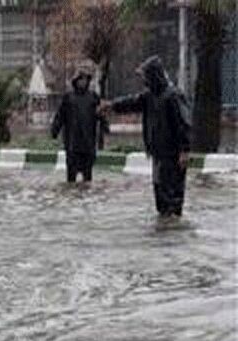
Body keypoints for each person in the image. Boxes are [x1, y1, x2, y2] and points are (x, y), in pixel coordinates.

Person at [101, 55, 191, 219]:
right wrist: (111, 105)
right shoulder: (149, 96)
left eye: (146, 76)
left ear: (154, 75)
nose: (144, 81)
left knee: (172, 195)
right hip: (157, 154)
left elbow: (183, 124)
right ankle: (165, 227)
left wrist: (184, 150)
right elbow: (131, 102)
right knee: (160, 193)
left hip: (172, 155)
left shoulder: (173, 96)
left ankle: (173, 230)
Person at [51, 64, 105, 184]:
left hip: (88, 143)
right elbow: (60, 115)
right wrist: (55, 130)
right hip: (72, 144)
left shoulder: (93, 97)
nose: (83, 82)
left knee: (87, 177)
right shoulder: (68, 98)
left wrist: (105, 127)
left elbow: (100, 115)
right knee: (71, 178)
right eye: (81, 79)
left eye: (85, 79)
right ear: (76, 81)